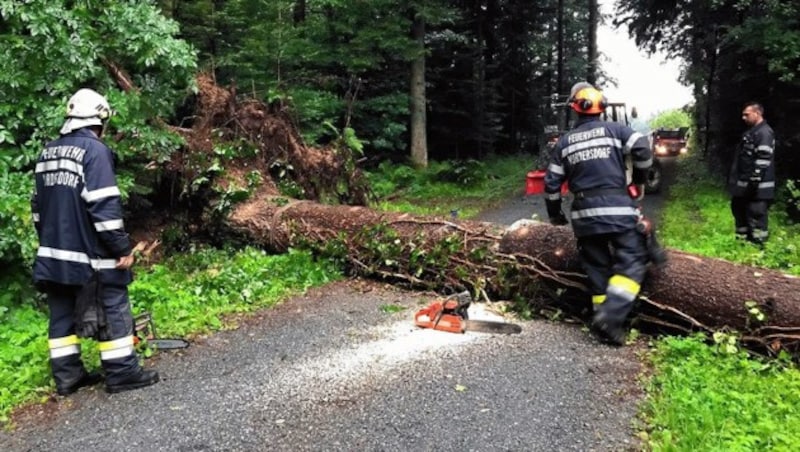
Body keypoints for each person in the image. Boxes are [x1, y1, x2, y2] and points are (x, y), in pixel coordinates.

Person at [31, 88, 159, 395]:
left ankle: (68, 377)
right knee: (113, 303)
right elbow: (103, 206)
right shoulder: (95, 152)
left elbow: (37, 207)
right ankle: (121, 372)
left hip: (53, 253)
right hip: (91, 256)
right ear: (100, 120)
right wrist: (122, 248)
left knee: (62, 313)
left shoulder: (47, 151)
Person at [543, 82, 654, 346]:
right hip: (618, 210)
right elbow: (643, 151)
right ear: (601, 107)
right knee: (633, 259)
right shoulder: (617, 131)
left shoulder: (565, 143)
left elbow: (551, 185)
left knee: (596, 268)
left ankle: (601, 319)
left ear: (575, 109)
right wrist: (638, 180)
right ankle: (611, 315)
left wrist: (556, 215)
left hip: (584, 216)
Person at [727, 102, 775, 245]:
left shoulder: (764, 132)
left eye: (746, 114)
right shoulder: (751, 133)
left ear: (757, 113)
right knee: (739, 212)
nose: (743, 117)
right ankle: (742, 244)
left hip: (758, 189)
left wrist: (754, 182)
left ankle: (758, 248)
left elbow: (763, 159)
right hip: (744, 188)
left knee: (756, 217)